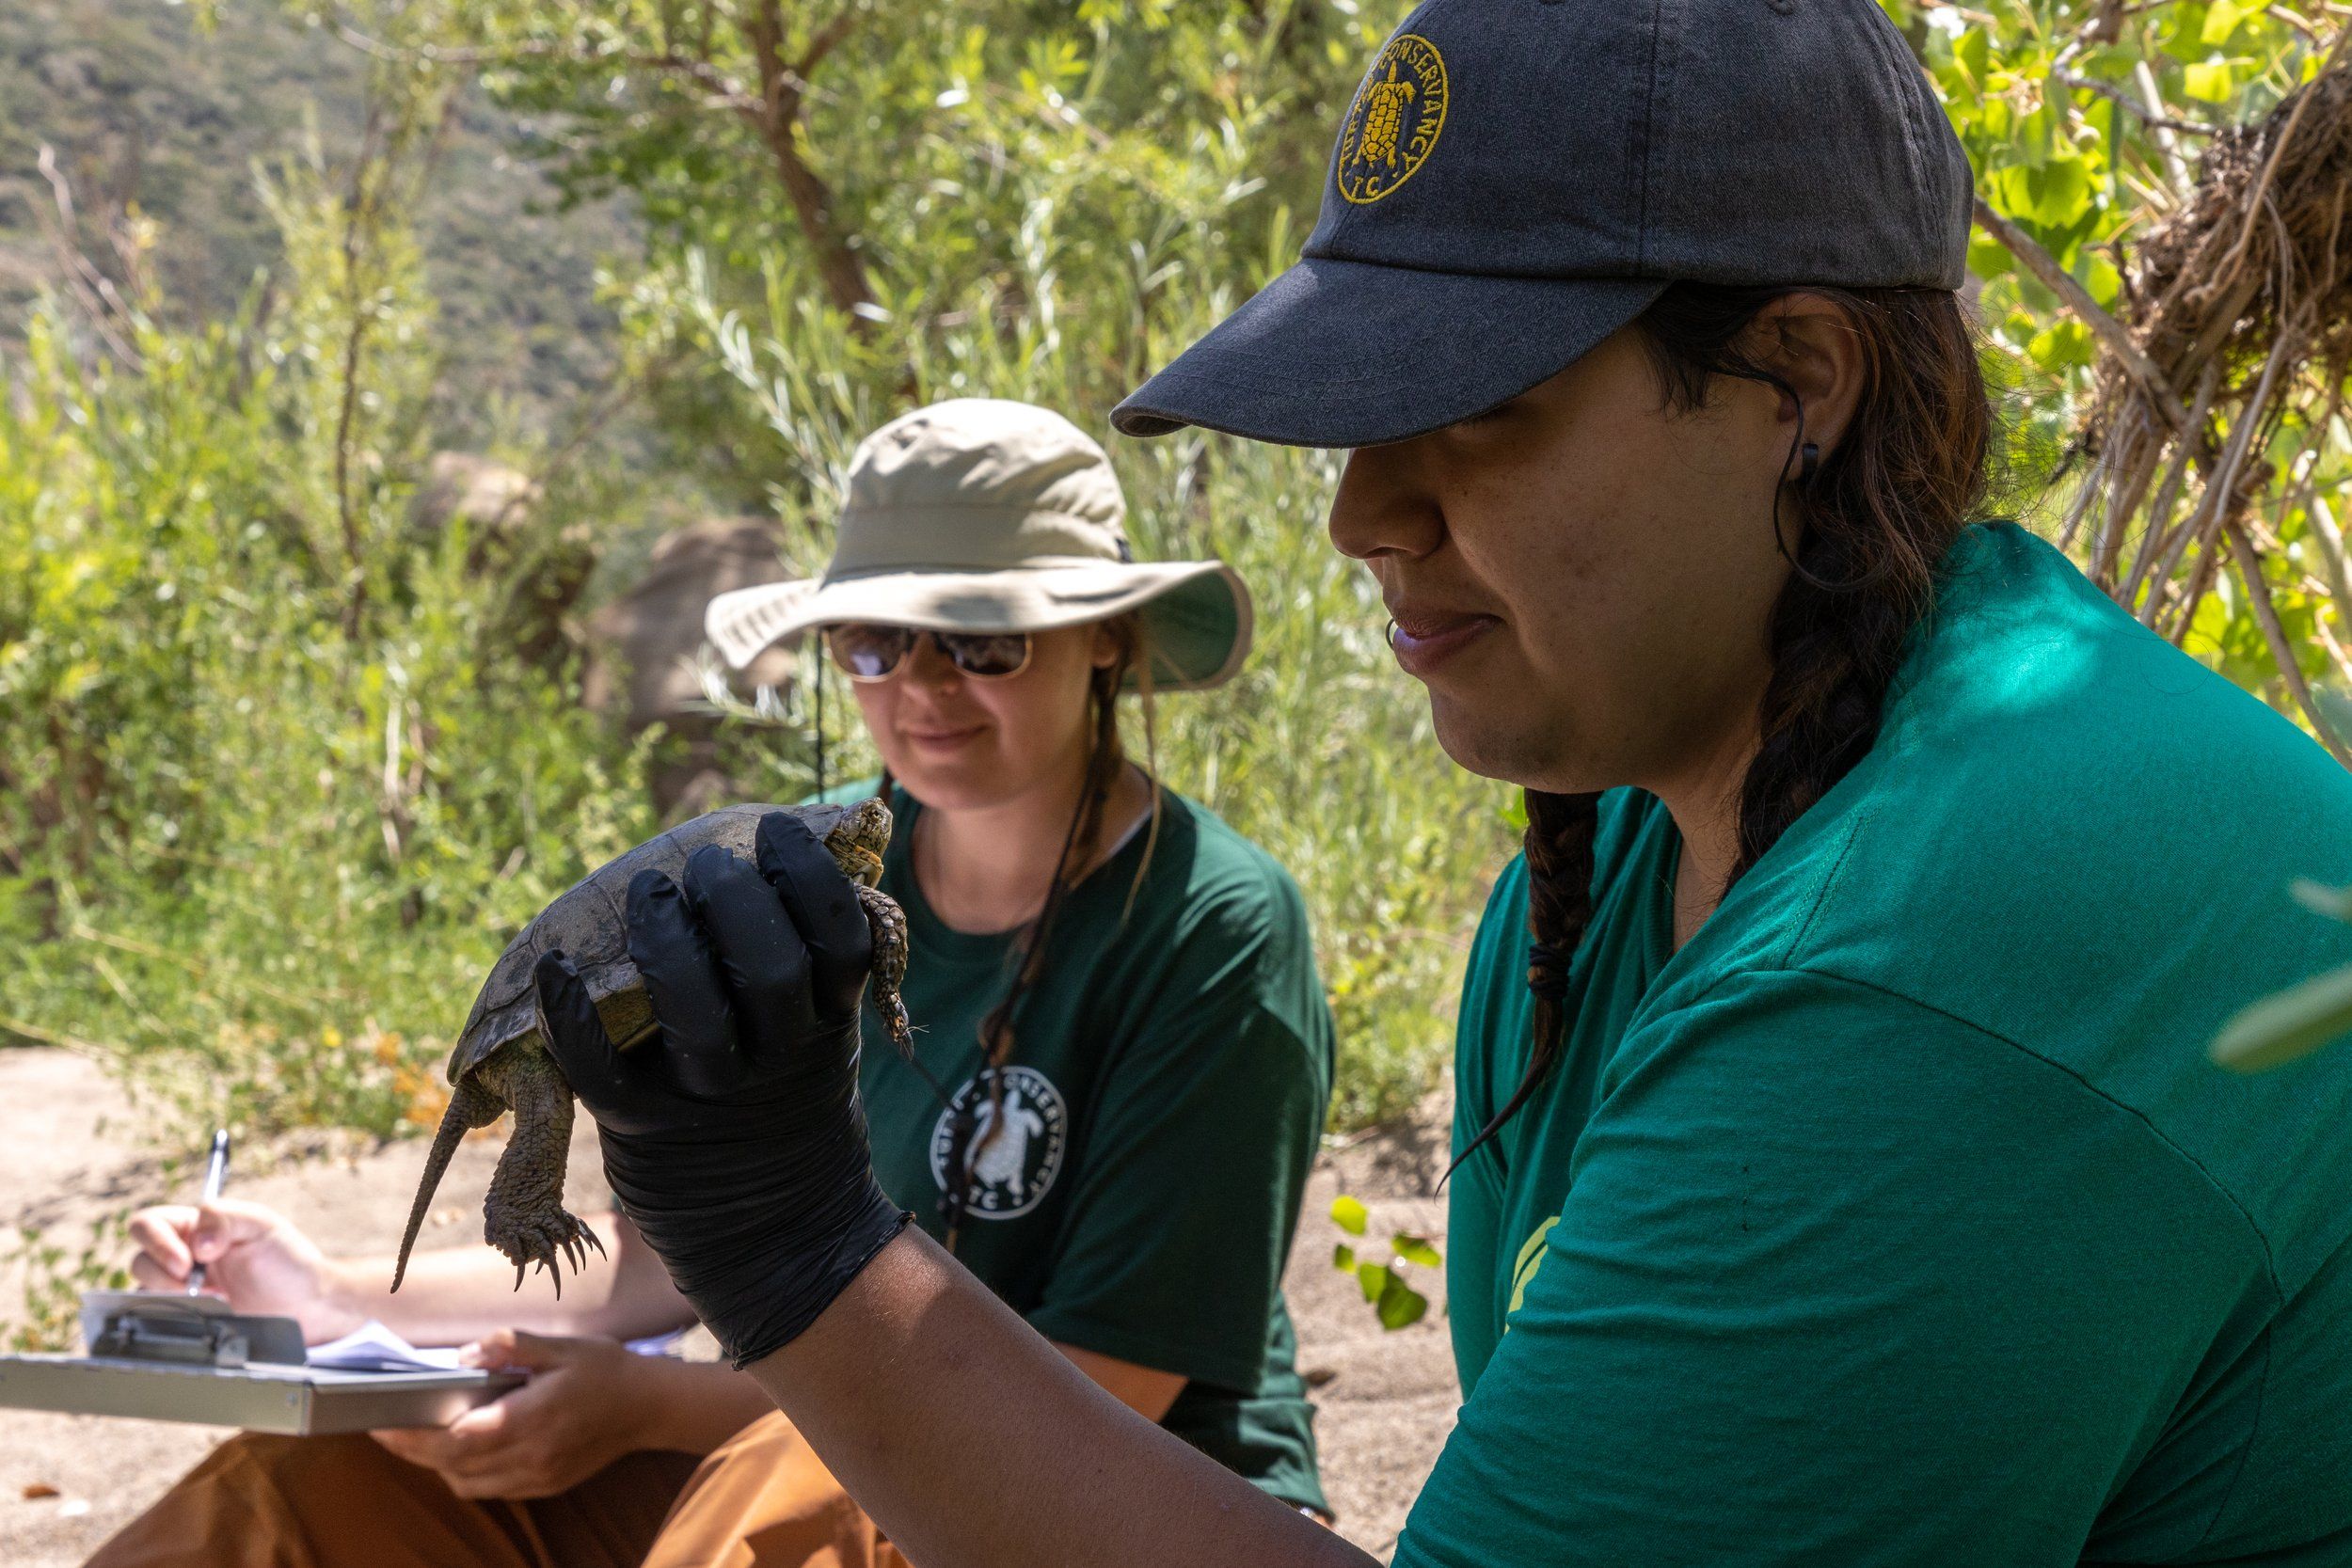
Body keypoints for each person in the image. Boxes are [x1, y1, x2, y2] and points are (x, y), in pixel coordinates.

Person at [522, 2, 2352, 1565]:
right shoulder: (1605, 888)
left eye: (1474, 408)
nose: (1356, 513)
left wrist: (788, 1239)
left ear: (1795, 379)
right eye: (1352, 416)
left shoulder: (1938, 952)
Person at [91, 400, 1335, 1567]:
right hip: (786, 1434)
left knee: (778, 1494)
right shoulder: (797, 886)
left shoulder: (1210, 930)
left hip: (1110, 1510)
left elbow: (1106, 1392)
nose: (922, 686)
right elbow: (671, 1255)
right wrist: (331, 1295)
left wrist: (648, 1406)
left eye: (983, 641)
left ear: (1104, 634)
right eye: (875, 640)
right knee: (295, 1494)